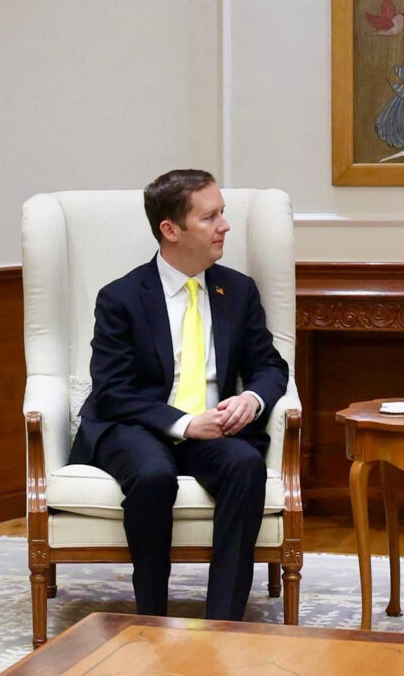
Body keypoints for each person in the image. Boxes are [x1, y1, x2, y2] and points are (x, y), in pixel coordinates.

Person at [69, 169, 288, 621]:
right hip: (138, 426)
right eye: (210, 217)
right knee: (152, 476)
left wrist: (251, 401)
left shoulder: (237, 291)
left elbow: (270, 367)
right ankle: (151, 618)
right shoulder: (122, 297)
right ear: (170, 230)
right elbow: (111, 391)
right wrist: (185, 423)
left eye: (222, 212)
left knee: (245, 465)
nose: (225, 225)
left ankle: (223, 622)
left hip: (215, 431)